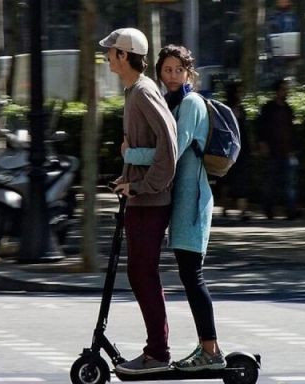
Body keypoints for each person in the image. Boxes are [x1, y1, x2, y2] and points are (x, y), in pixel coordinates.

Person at [124, 44, 226, 372]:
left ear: (188, 72)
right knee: (188, 273)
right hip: (180, 202)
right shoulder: (171, 103)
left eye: (178, 70)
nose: (171, 76)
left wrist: (131, 153)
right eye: (166, 70)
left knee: (192, 275)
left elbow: (173, 150)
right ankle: (208, 349)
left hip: (192, 204)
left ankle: (211, 351)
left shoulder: (191, 103)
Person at [99, 28, 178, 374]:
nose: (106, 57)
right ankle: (156, 350)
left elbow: (169, 146)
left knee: (143, 273)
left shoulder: (144, 92)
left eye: (111, 51)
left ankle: (158, 353)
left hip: (151, 201)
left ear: (123, 55)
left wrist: (143, 186)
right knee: (139, 272)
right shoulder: (134, 91)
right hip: (141, 198)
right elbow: (146, 147)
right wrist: (126, 178)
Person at [257, 78, 299, 220]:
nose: (285, 92)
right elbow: (261, 128)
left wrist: (293, 148)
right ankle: (268, 209)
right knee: (271, 182)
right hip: (273, 151)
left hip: (287, 151)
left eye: (286, 89)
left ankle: (290, 210)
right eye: (283, 89)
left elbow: (291, 130)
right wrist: (263, 144)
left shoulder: (288, 109)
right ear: (277, 91)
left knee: (289, 183)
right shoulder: (268, 108)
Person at [220, 80, 252, 221]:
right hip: (228, 149)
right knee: (227, 179)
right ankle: (225, 206)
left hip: (242, 149)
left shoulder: (242, 110)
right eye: (238, 91)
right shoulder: (225, 109)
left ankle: (243, 210)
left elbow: (245, 131)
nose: (240, 95)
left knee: (242, 179)